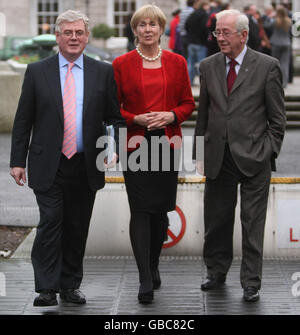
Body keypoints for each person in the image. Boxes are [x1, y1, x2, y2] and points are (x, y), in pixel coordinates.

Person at [10, 10, 125, 307]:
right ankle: (46, 288)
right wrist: (17, 161)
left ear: (86, 37)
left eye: (79, 33)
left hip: (86, 163)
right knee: (51, 221)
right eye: (68, 33)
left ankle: (70, 285)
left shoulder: (103, 72)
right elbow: (23, 120)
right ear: (58, 37)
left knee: (76, 225)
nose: (74, 38)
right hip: (48, 162)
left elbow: (115, 117)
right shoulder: (37, 72)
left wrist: (114, 146)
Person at [193, 9, 286, 302]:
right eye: (217, 33)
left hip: (255, 157)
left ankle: (251, 282)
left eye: (225, 33)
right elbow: (203, 115)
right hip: (219, 157)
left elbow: (277, 118)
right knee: (217, 220)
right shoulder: (207, 66)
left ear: (244, 35)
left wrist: (269, 149)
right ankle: (216, 272)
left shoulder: (268, 66)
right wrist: (200, 154)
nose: (219, 38)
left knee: (252, 223)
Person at [113, 4, 195, 304]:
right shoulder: (120, 64)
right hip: (135, 144)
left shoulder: (177, 62)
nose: (147, 29)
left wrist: (172, 116)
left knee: (161, 211)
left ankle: (154, 263)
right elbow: (114, 108)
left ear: (162, 29)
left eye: (153, 24)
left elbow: (188, 103)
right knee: (140, 210)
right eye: (142, 25)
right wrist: (135, 119)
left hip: (167, 144)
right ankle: (144, 277)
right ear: (135, 30)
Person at [185, 1, 209, 86]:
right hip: (201, 42)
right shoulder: (204, 15)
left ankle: (189, 82)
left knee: (190, 64)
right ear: (204, 5)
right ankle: (203, 83)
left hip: (191, 42)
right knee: (201, 64)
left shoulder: (192, 14)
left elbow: (186, 25)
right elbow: (205, 28)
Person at [270, 6, 292, 88]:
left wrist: (270, 17)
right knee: (285, 63)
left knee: (275, 63)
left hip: (276, 43)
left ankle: (276, 81)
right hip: (286, 43)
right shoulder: (289, 21)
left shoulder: (275, 21)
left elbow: (266, 26)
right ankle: (284, 83)